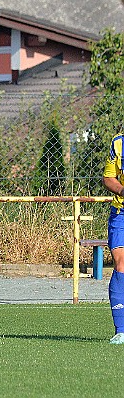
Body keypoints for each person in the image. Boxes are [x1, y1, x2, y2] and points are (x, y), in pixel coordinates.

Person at [102, 130, 124, 344]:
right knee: (121, 265)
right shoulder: (119, 142)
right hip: (122, 213)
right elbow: (108, 178)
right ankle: (121, 330)